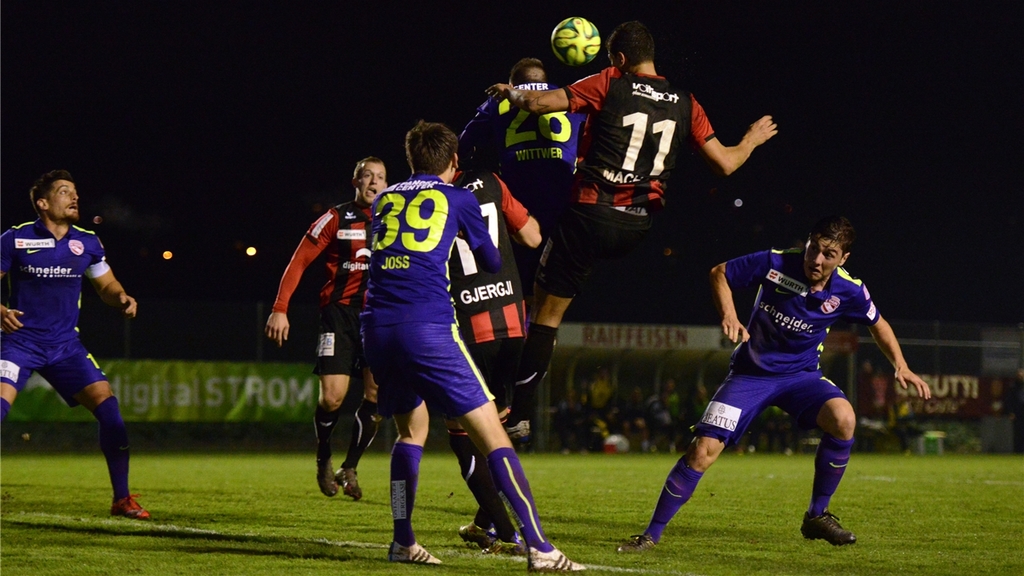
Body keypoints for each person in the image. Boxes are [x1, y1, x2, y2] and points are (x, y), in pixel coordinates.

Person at [486, 21, 778, 440]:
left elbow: (538, 105)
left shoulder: (610, 82)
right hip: (636, 225)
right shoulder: (685, 102)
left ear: (619, 60)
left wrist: (511, 92)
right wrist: (750, 139)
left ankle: (520, 414)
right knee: (571, 278)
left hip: (589, 217)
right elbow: (727, 163)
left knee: (544, 314)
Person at [617, 215, 933, 552]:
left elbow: (877, 322)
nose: (817, 259)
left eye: (829, 254)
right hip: (750, 375)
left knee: (844, 419)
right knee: (701, 452)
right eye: (814, 249)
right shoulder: (776, 262)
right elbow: (719, 273)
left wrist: (901, 365)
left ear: (843, 258)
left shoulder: (849, 289)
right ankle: (650, 536)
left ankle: (816, 516)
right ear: (807, 242)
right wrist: (729, 314)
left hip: (801, 378)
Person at [360, 121, 583, 570]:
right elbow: (493, 258)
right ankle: (540, 548)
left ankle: (403, 540)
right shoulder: (459, 197)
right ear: (454, 162)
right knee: (494, 435)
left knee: (410, 433)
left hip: (377, 328)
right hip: (428, 327)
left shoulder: (384, 199)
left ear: (410, 162)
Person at [0, 170, 149, 520]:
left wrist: (122, 297)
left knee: (110, 412)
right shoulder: (15, 239)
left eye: (75, 192)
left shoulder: (88, 242)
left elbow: (107, 285)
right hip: (19, 343)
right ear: (43, 203)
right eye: (65, 192)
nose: (74, 197)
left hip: (65, 346)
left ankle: (122, 499)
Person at [264, 157, 387, 500]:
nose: (374, 182)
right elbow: (299, 260)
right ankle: (323, 456)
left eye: (380, 177)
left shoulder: (396, 218)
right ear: (355, 182)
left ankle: (351, 466)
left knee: (377, 395)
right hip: (339, 315)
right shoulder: (336, 217)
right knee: (332, 398)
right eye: (367, 176)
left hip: (379, 317)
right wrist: (280, 309)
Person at [447, 168, 541, 555]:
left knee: (463, 438)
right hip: (512, 324)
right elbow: (532, 236)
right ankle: (483, 522)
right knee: (498, 429)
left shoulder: (429, 199)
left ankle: (506, 533)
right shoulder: (490, 182)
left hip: (467, 330)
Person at [459, 57, 587, 300]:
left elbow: (463, 145)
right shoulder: (567, 97)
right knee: (555, 282)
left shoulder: (497, 101)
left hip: (519, 205)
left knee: (518, 278)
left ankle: (520, 330)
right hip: (563, 201)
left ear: (513, 84)